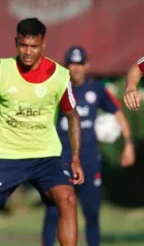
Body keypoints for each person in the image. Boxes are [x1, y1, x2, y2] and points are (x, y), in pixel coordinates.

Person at [0, 18, 84, 246]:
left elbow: (73, 116)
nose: (28, 52)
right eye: (23, 45)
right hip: (4, 156)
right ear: (16, 42)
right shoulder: (1, 72)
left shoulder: (59, 76)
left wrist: (75, 158)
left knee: (68, 199)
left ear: (43, 44)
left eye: (34, 46)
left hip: (46, 156)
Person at [42, 46, 135, 246]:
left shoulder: (97, 89)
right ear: (66, 67)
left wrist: (128, 144)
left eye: (79, 64)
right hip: (61, 159)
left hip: (89, 160)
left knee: (91, 212)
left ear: (87, 66)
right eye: (71, 64)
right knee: (53, 210)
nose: (76, 69)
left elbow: (118, 113)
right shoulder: (57, 89)